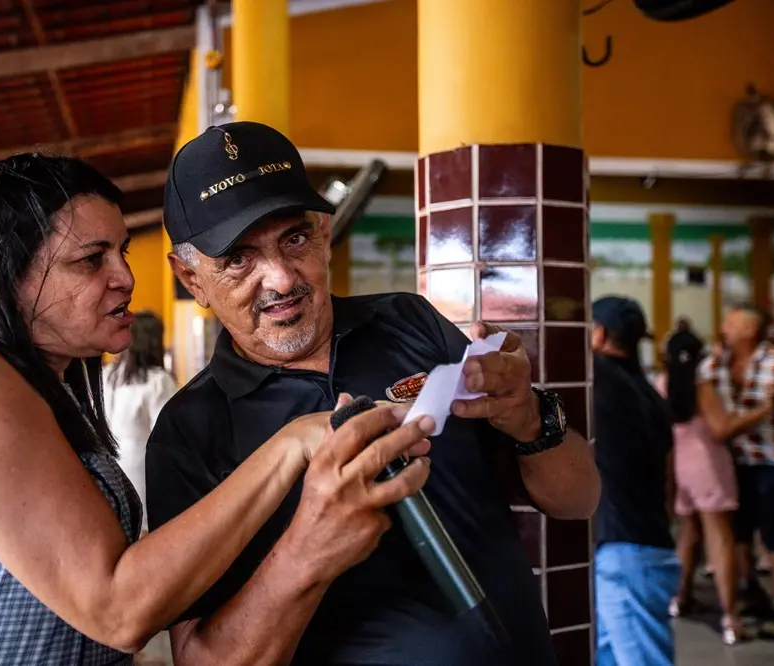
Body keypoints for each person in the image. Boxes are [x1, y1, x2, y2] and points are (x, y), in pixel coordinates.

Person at [0, 153, 433, 665]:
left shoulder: (42, 390)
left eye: (122, 252)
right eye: (92, 260)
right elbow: (117, 610)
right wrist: (291, 444)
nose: (126, 278)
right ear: (8, 276)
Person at [146, 121, 601, 665]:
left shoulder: (410, 322)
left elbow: (581, 500)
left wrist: (529, 417)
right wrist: (308, 549)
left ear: (323, 230)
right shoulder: (190, 430)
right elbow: (201, 660)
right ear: (191, 278)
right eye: (238, 258)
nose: (282, 279)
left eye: (295, 238)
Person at [591, 296, 679, 666]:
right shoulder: (649, 395)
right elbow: (669, 480)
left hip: (626, 553)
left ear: (599, 334)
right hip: (647, 542)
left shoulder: (599, 378)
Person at [658, 322, 753, 644]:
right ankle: (731, 618)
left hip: (678, 466)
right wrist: (765, 409)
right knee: (720, 538)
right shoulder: (702, 385)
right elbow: (721, 429)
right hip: (708, 467)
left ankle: (679, 598)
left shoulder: (661, 383)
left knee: (688, 534)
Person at [696, 304, 774, 628]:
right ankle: (752, 591)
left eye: (732, 322)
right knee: (740, 533)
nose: (725, 327)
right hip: (734, 461)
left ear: (749, 329)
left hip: (772, 461)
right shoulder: (717, 364)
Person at [103, 310, 177, 534]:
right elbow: (168, 433)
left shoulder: (106, 374)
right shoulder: (157, 381)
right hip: (142, 466)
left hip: (109, 463)